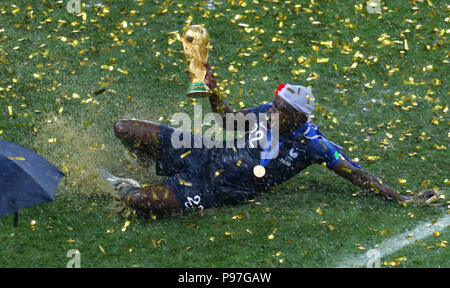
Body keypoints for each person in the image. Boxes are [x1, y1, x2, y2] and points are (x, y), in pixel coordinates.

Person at [103, 62, 439, 216]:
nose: (272, 113)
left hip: (213, 188)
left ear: (299, 118)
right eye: (274, 106)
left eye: (280, 111)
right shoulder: (267, 111)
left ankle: (130, 185)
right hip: (203, 151)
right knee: (124, 128)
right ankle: (155, 168)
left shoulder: (314, 145)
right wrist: (213, 91)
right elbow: (226, 121)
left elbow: (356, 173)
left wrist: (402, 198)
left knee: (138, 203)